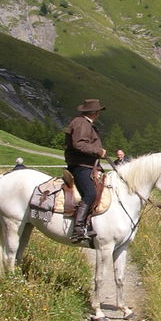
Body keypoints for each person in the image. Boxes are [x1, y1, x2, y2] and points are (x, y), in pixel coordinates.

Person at [64, 99, 107, 243]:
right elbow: (79, 144)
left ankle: (88, 224)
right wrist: (98, 151)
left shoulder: (85, 123)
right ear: (94, 112)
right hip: (80, 166)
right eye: (98, 111)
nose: (99, 114)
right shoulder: (81, 123)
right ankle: (78, 228)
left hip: (86, 165)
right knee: (90, 193)